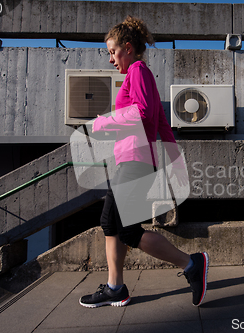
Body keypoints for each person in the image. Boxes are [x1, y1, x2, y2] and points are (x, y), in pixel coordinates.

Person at [79, 16, 208, 308]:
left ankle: (192, 264)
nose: (111, 59)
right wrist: (175, 162)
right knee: (110, 223)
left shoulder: (137, 70)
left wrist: (104, 122)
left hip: (136, 161)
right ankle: (115, 287)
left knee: (126, 230)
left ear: (127, 48)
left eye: (112, 52)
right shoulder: (140, 74)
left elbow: (144, 113)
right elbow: (161, 123)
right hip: (134, 160)